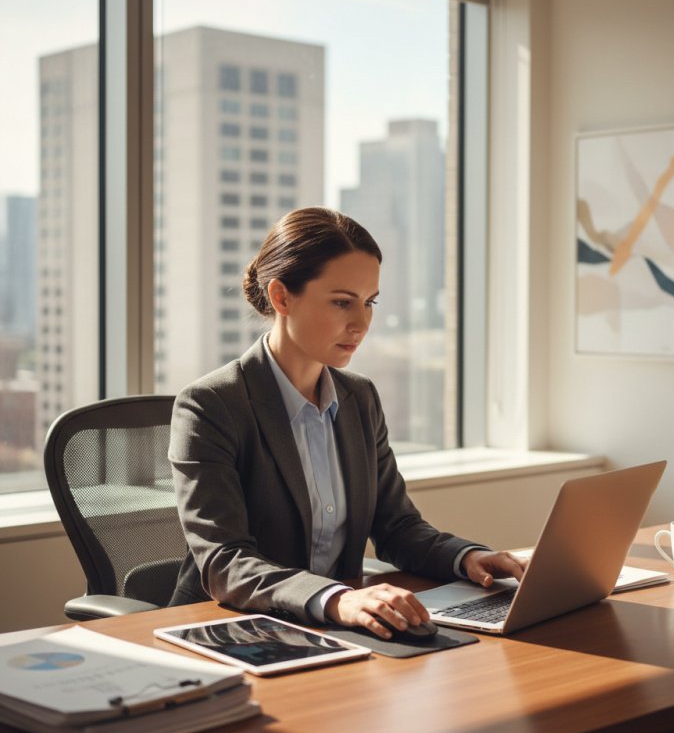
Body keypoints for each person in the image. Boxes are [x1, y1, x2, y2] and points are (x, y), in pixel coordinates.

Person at [168, 207, 525, 639]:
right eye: (342, 302)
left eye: (370, 302)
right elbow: (225, 562)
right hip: (233, 628)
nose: (361, 324)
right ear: (281, 297)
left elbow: (396, 527)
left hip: (336, 628)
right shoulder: (211, 406)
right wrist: (337, 598)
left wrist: (466, 557)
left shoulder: (359, 398)